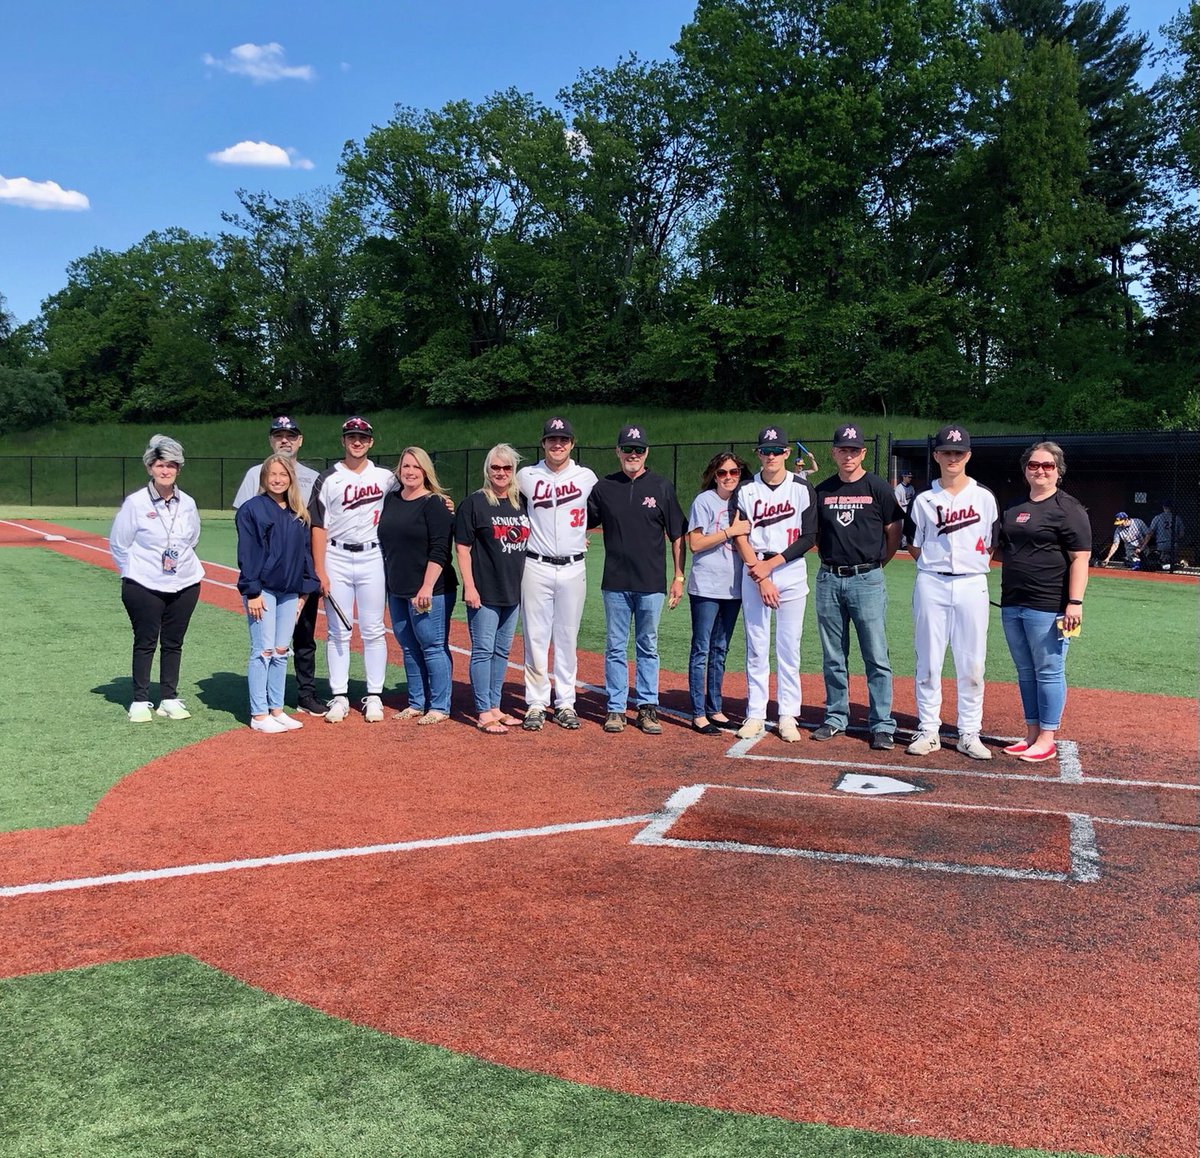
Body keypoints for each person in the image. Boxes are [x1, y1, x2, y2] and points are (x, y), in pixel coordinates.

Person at [904, 425, 1000, 760]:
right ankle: (929, 729)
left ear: (968, 455)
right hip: (931, 580)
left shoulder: (984, 497)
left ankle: (969, 732)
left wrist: (969, 569)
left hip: (973, 582)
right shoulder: (924, 499)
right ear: (936, 456)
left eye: (958, 452)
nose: (953, 457)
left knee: (972, 662)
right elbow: (914, 545)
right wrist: (936, 566)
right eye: (947, 452)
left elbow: (990, 544)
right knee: (929, 659)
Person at [587, 425, 687, 735]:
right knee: (616, 646)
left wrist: (679, 575)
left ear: (646, 453)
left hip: (651, 583)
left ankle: (646, 708)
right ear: (617, 451)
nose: (633, 454)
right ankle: (616, 708)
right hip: (615, 582)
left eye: (639, 449)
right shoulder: (604, 487)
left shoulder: (661, 487)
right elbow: (581, 521)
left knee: (647, 645)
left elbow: (677, 534)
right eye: (627, 449)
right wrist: (580, 535)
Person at [810, 423, 903, 751]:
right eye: (842, 449)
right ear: (834, 452)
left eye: (854, 450)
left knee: (876, 654)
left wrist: (878, 563)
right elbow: (816, 534)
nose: (848, 455)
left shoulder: (878, 487)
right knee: (833, 654)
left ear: (862, 452)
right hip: (829, 577)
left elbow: (894, 529)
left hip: (867, 577)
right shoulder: (822, 490)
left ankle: (881, 723)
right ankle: (836, 716)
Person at [996, 441, 1090, 763]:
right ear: (1025, 469)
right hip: (1012, 604)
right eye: (1034, 465)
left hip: (1048, 605)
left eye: (1048, 466)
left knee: (1049, 670)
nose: (1040, 470)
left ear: (1058, 471)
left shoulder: (1069, 508)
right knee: (1025, 671)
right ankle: (1032, 733)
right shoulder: (1013, 508)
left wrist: (1074, 603)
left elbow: (1080, 559)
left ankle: (1047, 737)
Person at [231, 416, 326, 716]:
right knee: (266, 646)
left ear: (300, 440)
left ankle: (302, 695)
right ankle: (264, 709)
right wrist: (253, 583)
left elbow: (315, 526)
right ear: (271, 440)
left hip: (300, 573)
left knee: (300, 639)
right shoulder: (254, 478)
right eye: (278, 435)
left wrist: (309, 580)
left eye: (290, 435)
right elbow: (248, 532)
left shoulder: (313, 477)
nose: (285, 440)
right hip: (267, 577)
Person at [109, 434, 204, 723]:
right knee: (146, 640)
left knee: (174, 642)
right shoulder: (135, 503)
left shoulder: (187, 503)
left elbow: (192, 539)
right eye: (160, 465)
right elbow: (118, 544)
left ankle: (169, 697)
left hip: (185, 583)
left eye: (172, 466)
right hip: (144, 584)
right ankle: (140, 698)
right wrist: (137, 573)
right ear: (150, 467)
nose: (166, 471)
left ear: (179, 469)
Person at [733, 424, 817, 742]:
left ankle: (787, 714)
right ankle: (755, 713)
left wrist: (770, 566)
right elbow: (739, 534)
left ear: (786, 453)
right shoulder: (746, 490)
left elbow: (809, 536)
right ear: (758, 454)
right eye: (765, 451)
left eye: (777, 451)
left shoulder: (801, 488)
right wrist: (759, 571)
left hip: (790, 569)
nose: (771, 456)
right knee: (756, 645)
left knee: (788, 646)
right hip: (754, 569)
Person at [309, 417, 396, 724]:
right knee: (338, 631)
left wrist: (442, 502)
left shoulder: (386, 477)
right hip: (337, 555)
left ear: (371, 442)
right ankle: (340, 696)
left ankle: (374, 695)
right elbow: (318, 525)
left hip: (373, 556)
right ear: (343, 441)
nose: (357, 441)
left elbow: (414, 494)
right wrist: (320, 569)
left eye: (362, 437)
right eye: (351, 436)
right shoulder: (329, 477)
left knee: (373, 629)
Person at [516, 417, 599, 731]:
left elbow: (602, 509)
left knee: (567, 638)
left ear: (572, 444)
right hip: (535, 564)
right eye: (552, 439)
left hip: (573, 565)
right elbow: (500, 497)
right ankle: (536, 702)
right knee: (535, 637)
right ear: (543, 444)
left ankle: (565, 703)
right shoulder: (527, 476)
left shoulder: (586, 477)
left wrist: (579, 535)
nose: (557, 444)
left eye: (563, 439)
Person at [379, 448, 458, 725]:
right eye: (405, 466)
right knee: (408, 647)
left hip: (430, 590)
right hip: (398, 588)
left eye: (416, 467)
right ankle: (416, 702)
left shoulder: (435, 503)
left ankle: (439, 706)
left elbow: (440, 550)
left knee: (432, 646)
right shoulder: (391, 500)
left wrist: (426, 586)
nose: (410, 471)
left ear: (425, 471)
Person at [455, 444, 530, 733]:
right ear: (487, 470)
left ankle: (496, 706)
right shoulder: (474, 503)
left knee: (502, 652)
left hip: (512, 591)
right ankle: (483, 710)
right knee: (483, 651)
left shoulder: (520, 501)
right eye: (495, 467)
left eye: (507, 468)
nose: (501, 472)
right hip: (484, 591)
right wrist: (469, 587)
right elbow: (462, 548)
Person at [686, 452, 751, 734]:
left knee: (720, 649)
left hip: (733, 587)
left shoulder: (743, 501)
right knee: (701, 648)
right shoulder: (705, 501)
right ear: (714, 475)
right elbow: (696, 543)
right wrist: (729, 531)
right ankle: (698, 713)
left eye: (733, 472)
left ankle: (716, 708)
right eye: (722, 473)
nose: (728, 478)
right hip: (706, 586)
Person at [1140, 501, 1185, 570]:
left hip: (1162, 544)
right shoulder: (1177, 518)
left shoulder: (1158, 517)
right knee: (1170, 562)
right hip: (1173, 543)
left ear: (1163, 507)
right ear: (1171, 508)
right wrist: (1175, 538)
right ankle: (1177, 567)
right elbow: (1181, 534)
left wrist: (1144, 545)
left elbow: (1150, 532)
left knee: (1162, 564)